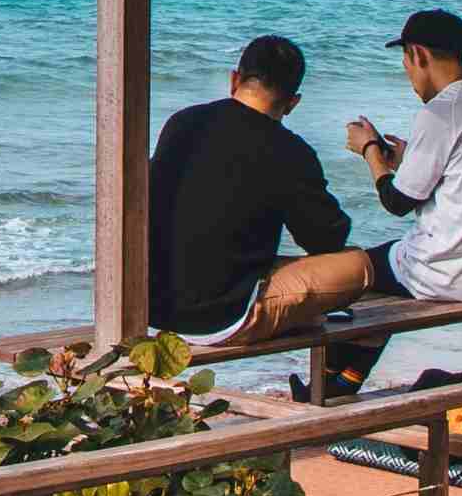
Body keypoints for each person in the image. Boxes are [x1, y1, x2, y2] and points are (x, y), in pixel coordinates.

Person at [146, 35, 357, 346]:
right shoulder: (290, 151)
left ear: (235, 79)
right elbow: (325, 239)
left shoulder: (181, 122)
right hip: (216, 320)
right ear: (293, 102)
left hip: (151, 309)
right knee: (358, 265)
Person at [343, 9, 462, 305]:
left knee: (345, 277)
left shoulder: (441, 111)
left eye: (406, 62)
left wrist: (370, 149)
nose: (408, 74)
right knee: (377, 266)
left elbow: (396, 203)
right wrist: (406, 161)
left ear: (419, 55)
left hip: (452, 275)